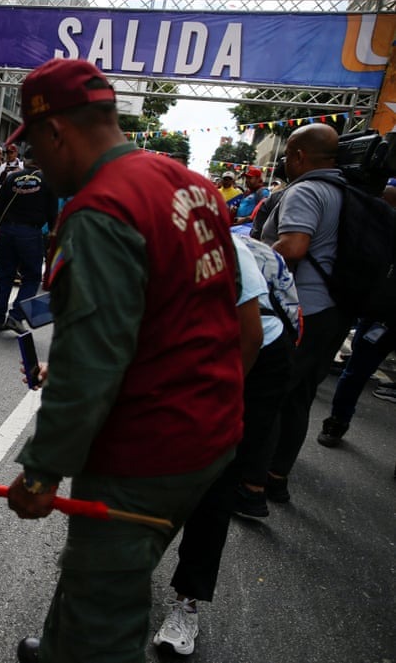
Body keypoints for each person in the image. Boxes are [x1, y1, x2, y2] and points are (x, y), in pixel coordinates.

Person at [2, 59, 247, 663]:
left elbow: (87, 366)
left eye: (34, 144)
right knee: (102, 565)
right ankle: (63, 643)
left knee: (103, 611)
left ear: (56, 131)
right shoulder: (193, 186)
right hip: (208, 428)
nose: (33, 160)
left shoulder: (101, 211)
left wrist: (41, 471)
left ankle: (78, 647)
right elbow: (231, 312)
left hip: (147, 447)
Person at [152, 234, 285, 656]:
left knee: (214, 481)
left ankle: (187, 603)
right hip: (194, 349)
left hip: (252, 357)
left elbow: (249, 337)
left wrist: (218, 406)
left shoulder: (211, 244)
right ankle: (111, 585)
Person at [259, 123, 350, 502]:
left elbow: (294, 246)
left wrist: (255, 254)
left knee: (271, 394)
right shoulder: (347, 192)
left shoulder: (307, 190)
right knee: (299, 398)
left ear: (297, 156)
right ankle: (276, 477)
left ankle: (250, 485)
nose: (284, 161)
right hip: (332, 309)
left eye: (286, 155)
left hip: (302, 310)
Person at [0, 151, 55, 333]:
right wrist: (53, 231)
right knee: (32, 276)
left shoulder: (12, 178)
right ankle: (16, 316)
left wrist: (2, 225)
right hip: (31, 232)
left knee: (5, 274)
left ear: (25, 161)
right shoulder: (47, 180)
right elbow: (52, 210)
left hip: (8, 230)